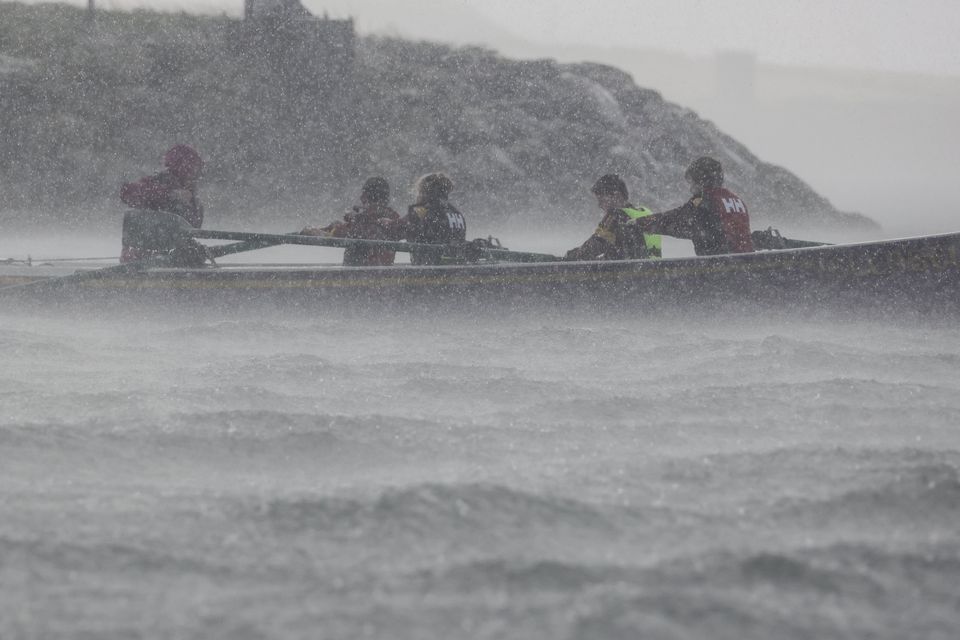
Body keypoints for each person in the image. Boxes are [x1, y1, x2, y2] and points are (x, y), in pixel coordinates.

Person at [628, 157, 754, 256]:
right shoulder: (737, 200)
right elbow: (739, 236)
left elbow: (676, 218)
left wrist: (641, 223)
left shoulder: (705, 200)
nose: (690, 189)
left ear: (701, 181)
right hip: (746, 263)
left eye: (692, 183)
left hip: (720, 268)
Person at [119, 144, 206, 264]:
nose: (195, 176)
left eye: (197, 172)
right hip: (141, 262)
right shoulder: (157, 182)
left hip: (175, 262)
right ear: (182, 170)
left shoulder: (193, 201)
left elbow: (190, 230)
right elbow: (127, 193)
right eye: (193, 171)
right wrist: (170, 194)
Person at [300, 177, 402, 266]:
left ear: (366, 197)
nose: (360, 198)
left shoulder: (367, 220)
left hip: (360, 279)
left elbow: (345, 233)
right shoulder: (392, 220)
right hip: (380, 277)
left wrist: (318, 232)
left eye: (363, 194)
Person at [565, 174, 661, 261]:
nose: (599, 205)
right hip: (653, 271)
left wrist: (569, 256)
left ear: (617, 196)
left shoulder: (616, 215)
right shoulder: (647, 213)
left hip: (629, 274)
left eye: (602, 200)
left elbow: (592, 248)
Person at [396, 172, 467, 265]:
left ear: (425, 192)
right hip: (455, 270)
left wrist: (385, 222)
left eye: (419, 192)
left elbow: (397, 229)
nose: (418, 196)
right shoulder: (457, 214)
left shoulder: (423, 210)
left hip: (429, 271)